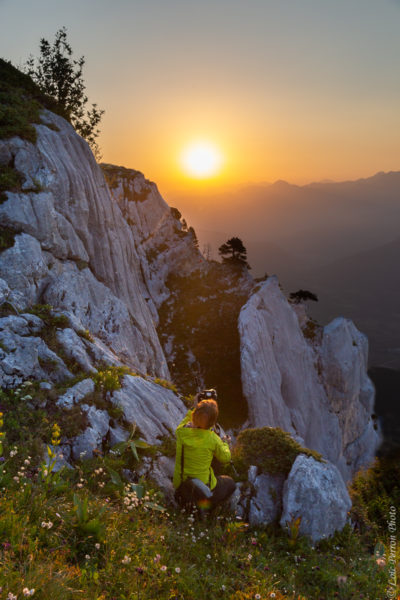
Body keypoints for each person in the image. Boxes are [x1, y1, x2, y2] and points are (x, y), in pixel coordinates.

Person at [173, 390, 236, 512]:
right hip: (202, 490)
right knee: (230, 483)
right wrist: (225, 443)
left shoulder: (181, 432)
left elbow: (188, 418)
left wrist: (195, 405)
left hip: (180, 486)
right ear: (213, 422)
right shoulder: (213, 439)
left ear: (194, 415)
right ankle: (212, 509)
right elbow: (225, 458)